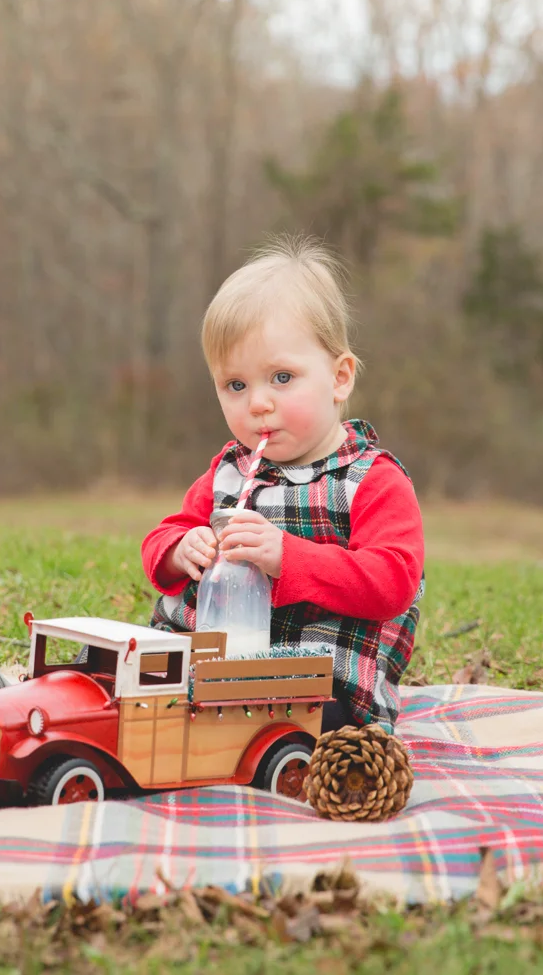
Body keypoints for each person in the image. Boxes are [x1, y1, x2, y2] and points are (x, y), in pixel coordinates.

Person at [140, 234, 424, 729]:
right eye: (236, 385)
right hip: (205, 664)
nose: (258, 403)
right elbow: (163, 536)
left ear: (340, 378)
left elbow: (394, 581)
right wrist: (181, 549)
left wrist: (288, 558)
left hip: (316, 682)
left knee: (302, 724)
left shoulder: (371, 480)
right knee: (124, 680)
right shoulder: (230, 471)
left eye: (282, 378)